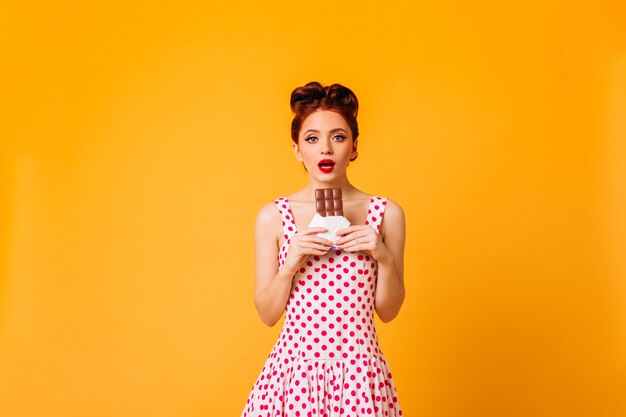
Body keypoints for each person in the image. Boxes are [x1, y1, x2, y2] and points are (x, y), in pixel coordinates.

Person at [241, 81, 406, 417]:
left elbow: (388, 312)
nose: (325, 149)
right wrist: (290, 264)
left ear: (354, 146)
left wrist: (383, 257)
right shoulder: (273, 216)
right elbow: (267, 315)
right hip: (294, 378)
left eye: (338, 136)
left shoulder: (387, 213)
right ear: (298, 150)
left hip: (360, 377)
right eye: (312, 138)